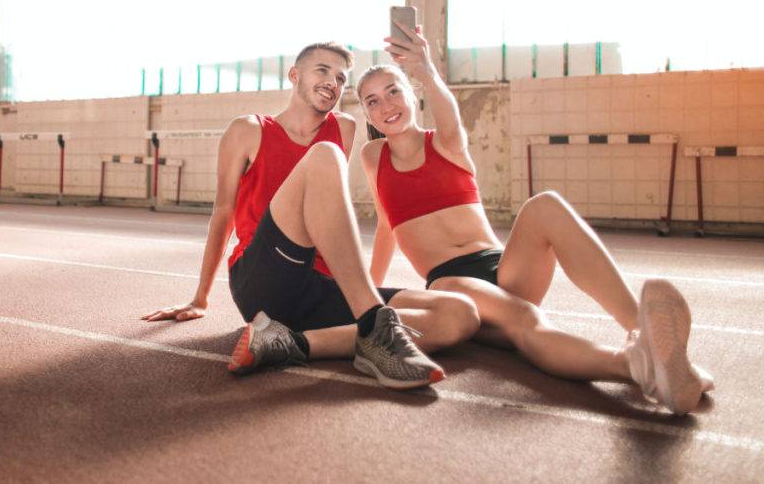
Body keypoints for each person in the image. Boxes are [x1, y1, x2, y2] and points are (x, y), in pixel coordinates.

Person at [356, 23, 712, 413]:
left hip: (503, 266)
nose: (386, 105)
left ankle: (642, 334)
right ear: (367, 113)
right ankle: (638, 367)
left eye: (394, 91)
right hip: (451, 280)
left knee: (546, 204)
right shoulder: (373, 158)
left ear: (414, 95)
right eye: (372, 101)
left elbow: (450, 115)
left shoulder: (445, 142)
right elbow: (388, 223)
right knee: (526, 317)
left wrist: (425, 67)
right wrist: (369, 293)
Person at [142, 42, 480, 389]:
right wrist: (201, 297)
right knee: (324, 157)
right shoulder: (248, 130)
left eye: (340, 77)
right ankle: (373, 323)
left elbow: (326, 211)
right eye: (322, 70)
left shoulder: (344, 128)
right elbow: (224, 213)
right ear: (294, 75)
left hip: (317, 288)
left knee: (460, 314)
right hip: (262, 279)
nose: (332, 82)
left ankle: (292, 344)